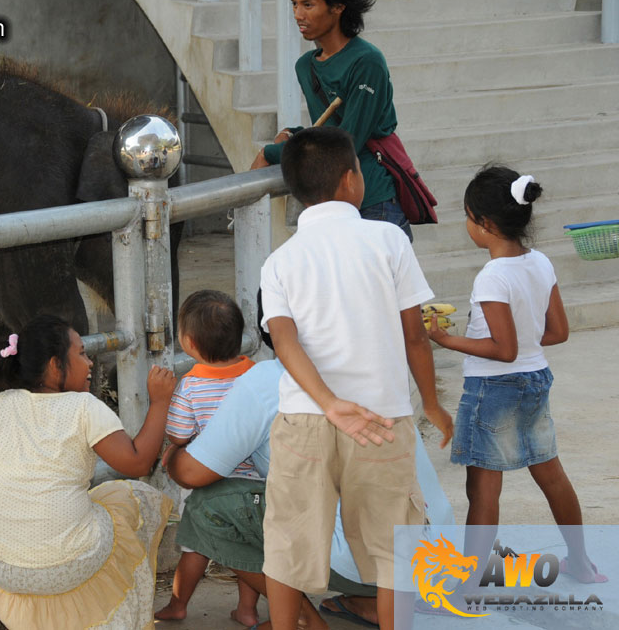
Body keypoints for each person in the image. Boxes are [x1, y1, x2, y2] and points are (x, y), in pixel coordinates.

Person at [259, 126, 453, 630]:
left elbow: (284, 343)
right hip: (380, 417)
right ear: (351, 180)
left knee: (287, 543)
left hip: (305, 417)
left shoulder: (279, 261)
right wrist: (430, 402)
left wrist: (327, 402)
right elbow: (415, 336)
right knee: (395, 549)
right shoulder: (388, 239)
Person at [164, 294, 455, 629]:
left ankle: (302, 616)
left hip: (360, 560)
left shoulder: (267, 380)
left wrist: (172, 453)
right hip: (437, 553)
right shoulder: (372, 362)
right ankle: (373, 603)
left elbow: (191, 473)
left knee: (206, 507)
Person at [0, 314, 178, 629]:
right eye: (81, 354)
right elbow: (139, 463)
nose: (90, 363)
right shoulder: (84, 408)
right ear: (54, 366)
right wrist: (160, 402)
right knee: (133, 497)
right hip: (68, 566)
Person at [427, 165, 607, 584]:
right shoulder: (540, 262)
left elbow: (502, 351)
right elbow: (558, 332)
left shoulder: (492, 276)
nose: (468, 226)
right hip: (536, 380)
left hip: (492, 388)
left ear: (486, 224)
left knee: (483, 493)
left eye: (469, 217)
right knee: (552, 475)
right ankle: (580, 562)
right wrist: (526, 339)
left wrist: (445, 340)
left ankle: (468, 586)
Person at [250, 0, 413, 241]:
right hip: (332, 206)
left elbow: (345, 142)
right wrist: (294, 133)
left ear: (337, 7)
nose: (298, 15)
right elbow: (327, 131)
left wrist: (269, 153)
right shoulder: (305, 66)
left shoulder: (367, 62)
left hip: (374, 206)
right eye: (294, 5)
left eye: (308, 5)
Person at [155, 290, 262, 625]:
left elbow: (178, 434)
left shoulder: (190, 385)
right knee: (251, 547)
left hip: (207, 481)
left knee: (195, 545)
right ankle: (247, 609)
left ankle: (177, 604)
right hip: (258, 480)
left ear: (188, 343)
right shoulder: (256, 374)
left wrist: (175, 447)